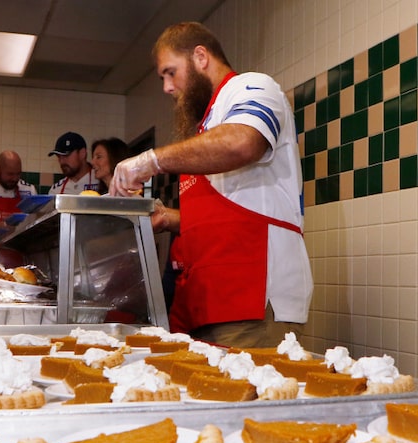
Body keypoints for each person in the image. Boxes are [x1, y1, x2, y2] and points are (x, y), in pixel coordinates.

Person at [110, 22, 313, 348]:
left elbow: (243, 142)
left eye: (169, 72)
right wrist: (167, 217)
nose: (166, 87)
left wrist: (150, 160)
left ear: (200, 56)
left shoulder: (252, 86)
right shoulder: (207, 126)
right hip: (205, 304)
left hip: (251, 303)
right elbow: (224, 214)